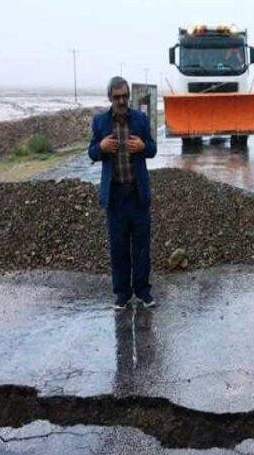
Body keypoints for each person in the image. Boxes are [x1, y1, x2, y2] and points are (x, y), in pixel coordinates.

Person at [88, 76, 158, 310]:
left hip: (138, 194)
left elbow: (152, 149)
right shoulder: (100, 122)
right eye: (117, 97)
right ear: (110, 97)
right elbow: (91, 151)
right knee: (118, 248)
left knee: (141, 247)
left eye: (125, 96)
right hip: (115, 197)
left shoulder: (139, 119)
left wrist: (143, 147)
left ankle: (143, 291)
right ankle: (122, 295)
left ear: (129, 96)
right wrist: (100, 148)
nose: (121, 101)